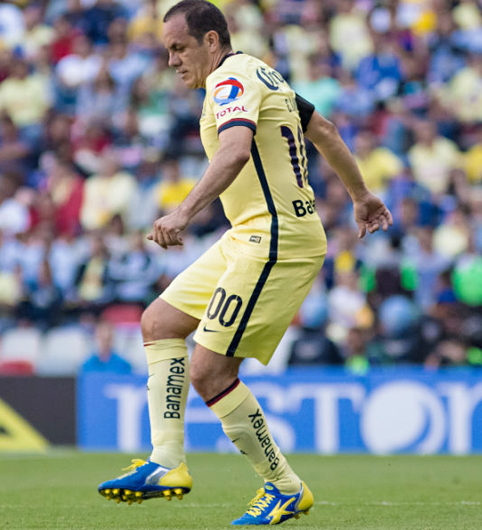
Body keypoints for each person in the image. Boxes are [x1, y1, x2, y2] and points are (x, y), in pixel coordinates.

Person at [96, 1, 392, 525]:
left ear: (212, 41)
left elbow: (234, 151)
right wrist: (361, 194)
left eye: (180, 47)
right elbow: (320, 129)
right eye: (167, 51)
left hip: (276, 239)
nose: (172, 61)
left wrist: (184, 212)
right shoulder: (261, 71)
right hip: (251, 233)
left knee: (210, 371)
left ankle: (284, 488)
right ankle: (166, 461)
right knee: (159, 322)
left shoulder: (229, 82)